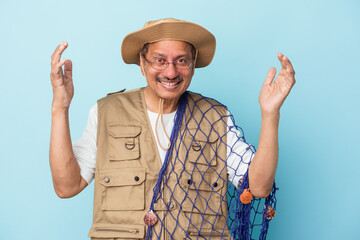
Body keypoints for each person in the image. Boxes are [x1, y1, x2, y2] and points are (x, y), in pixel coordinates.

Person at [50, 18, 295, 239]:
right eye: (160, 60)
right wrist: (60, 107)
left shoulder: (215, 117)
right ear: (142, 64)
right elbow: (66, 187)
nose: (171, 72)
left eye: (181, 61)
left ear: (193, 64)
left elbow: (259, 187)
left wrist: (270, 114)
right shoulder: (106, 112)